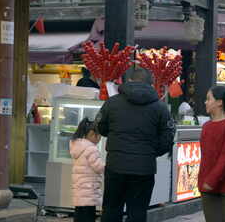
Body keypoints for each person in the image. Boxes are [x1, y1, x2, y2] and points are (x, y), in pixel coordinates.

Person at [97, 67, 175, 222]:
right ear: (151, 84)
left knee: (111, 209)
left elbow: (101, 127)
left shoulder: (112, 103)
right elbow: (168, 136)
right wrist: (151, 152)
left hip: (115, 165)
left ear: (129, 80)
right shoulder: (160, 107)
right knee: (138, 212)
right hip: (144, 168)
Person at [198, 85, 225, 222]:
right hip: (208, 188)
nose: (205, 102)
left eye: (208, 99)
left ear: (219, 102)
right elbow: (205, 157)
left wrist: (211, 181)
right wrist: (203, 182)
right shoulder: (206, 126)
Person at [70, 117, 105, 222]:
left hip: (80, 188)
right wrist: (109, 166)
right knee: (88, 216)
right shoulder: (91, 149)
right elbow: (98, 167)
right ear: (92, 134)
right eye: (98, 135)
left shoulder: (78, 146)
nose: (99, 138)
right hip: (89, 189)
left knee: (79, 213)